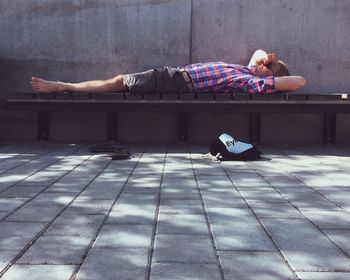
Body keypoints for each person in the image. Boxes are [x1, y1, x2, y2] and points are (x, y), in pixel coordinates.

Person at [31, 49, 306, 95]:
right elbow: (258, 52)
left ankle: (61, 85)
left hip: (176, 81)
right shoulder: (248, 69)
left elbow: (298, 81)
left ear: (271, 76)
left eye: (269, 68)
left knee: (117, 82)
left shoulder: (250, 83)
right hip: (174, 74)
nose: (262, 63)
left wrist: (271, 72)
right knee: (117, 81)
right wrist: (267, 58)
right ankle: (62, 85)